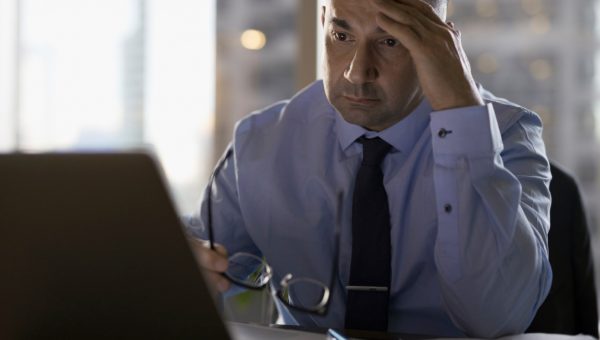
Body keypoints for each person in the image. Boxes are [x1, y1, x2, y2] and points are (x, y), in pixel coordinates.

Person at [186, 0, 553, 337]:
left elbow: (495, 318)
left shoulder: (505, 134)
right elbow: (209, 276)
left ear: (440, 44)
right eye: (341, 36)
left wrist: (459, 111)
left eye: (390, 41)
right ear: (323, 22)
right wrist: (184, 264)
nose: (357, 72)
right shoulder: (262, 141)